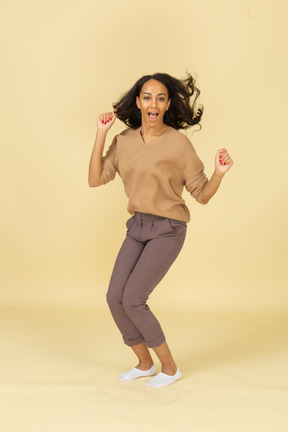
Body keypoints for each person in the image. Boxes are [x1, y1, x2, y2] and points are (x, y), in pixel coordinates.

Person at [88, 72, 233, 388]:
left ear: (167, 105)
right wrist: (101, 133)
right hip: (138, 225)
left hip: (168, 229)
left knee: (134, 298)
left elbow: (202, 195)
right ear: (138, 102)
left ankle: (169, 368)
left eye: (161, 98)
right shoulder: (123, 141)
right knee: (115, 297)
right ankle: (143, 363)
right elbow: (95, 179)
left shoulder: (178, 144)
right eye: (148, 97)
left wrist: (219, 174)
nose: (153, 103)